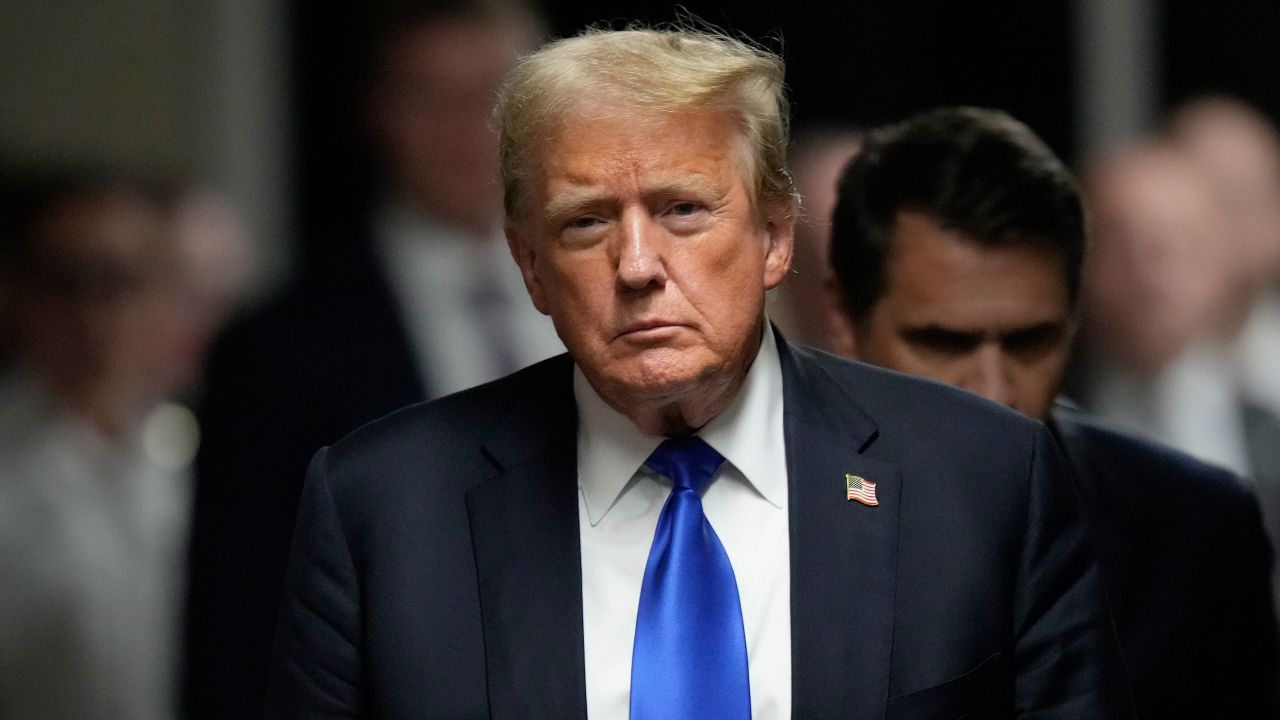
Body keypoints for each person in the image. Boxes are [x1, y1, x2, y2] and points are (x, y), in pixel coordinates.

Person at [266, 29, 1129, 718]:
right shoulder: (384, 509)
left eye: (683, 210)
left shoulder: (981, 479)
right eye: (586, 223)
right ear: (530, 267)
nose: (637, 264)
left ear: (776, 238)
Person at [826, 106, 1279, 717]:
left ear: (1074, 320)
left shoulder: (1195, 533)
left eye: (1028, 341)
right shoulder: (749, 513)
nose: (991, 390)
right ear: (844, 319)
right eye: (943, 343)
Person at [182, 2, 559, 716]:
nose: (468, 128)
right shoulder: (281, 347)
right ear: (379, 114)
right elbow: (238, 621)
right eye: (430, 99)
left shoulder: (625, 292)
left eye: (495, 95)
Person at [0, 170, 245, 719]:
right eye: (66, 281)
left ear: (165, 293)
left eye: (119, 280)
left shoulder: (221, 449)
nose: (92, 312)